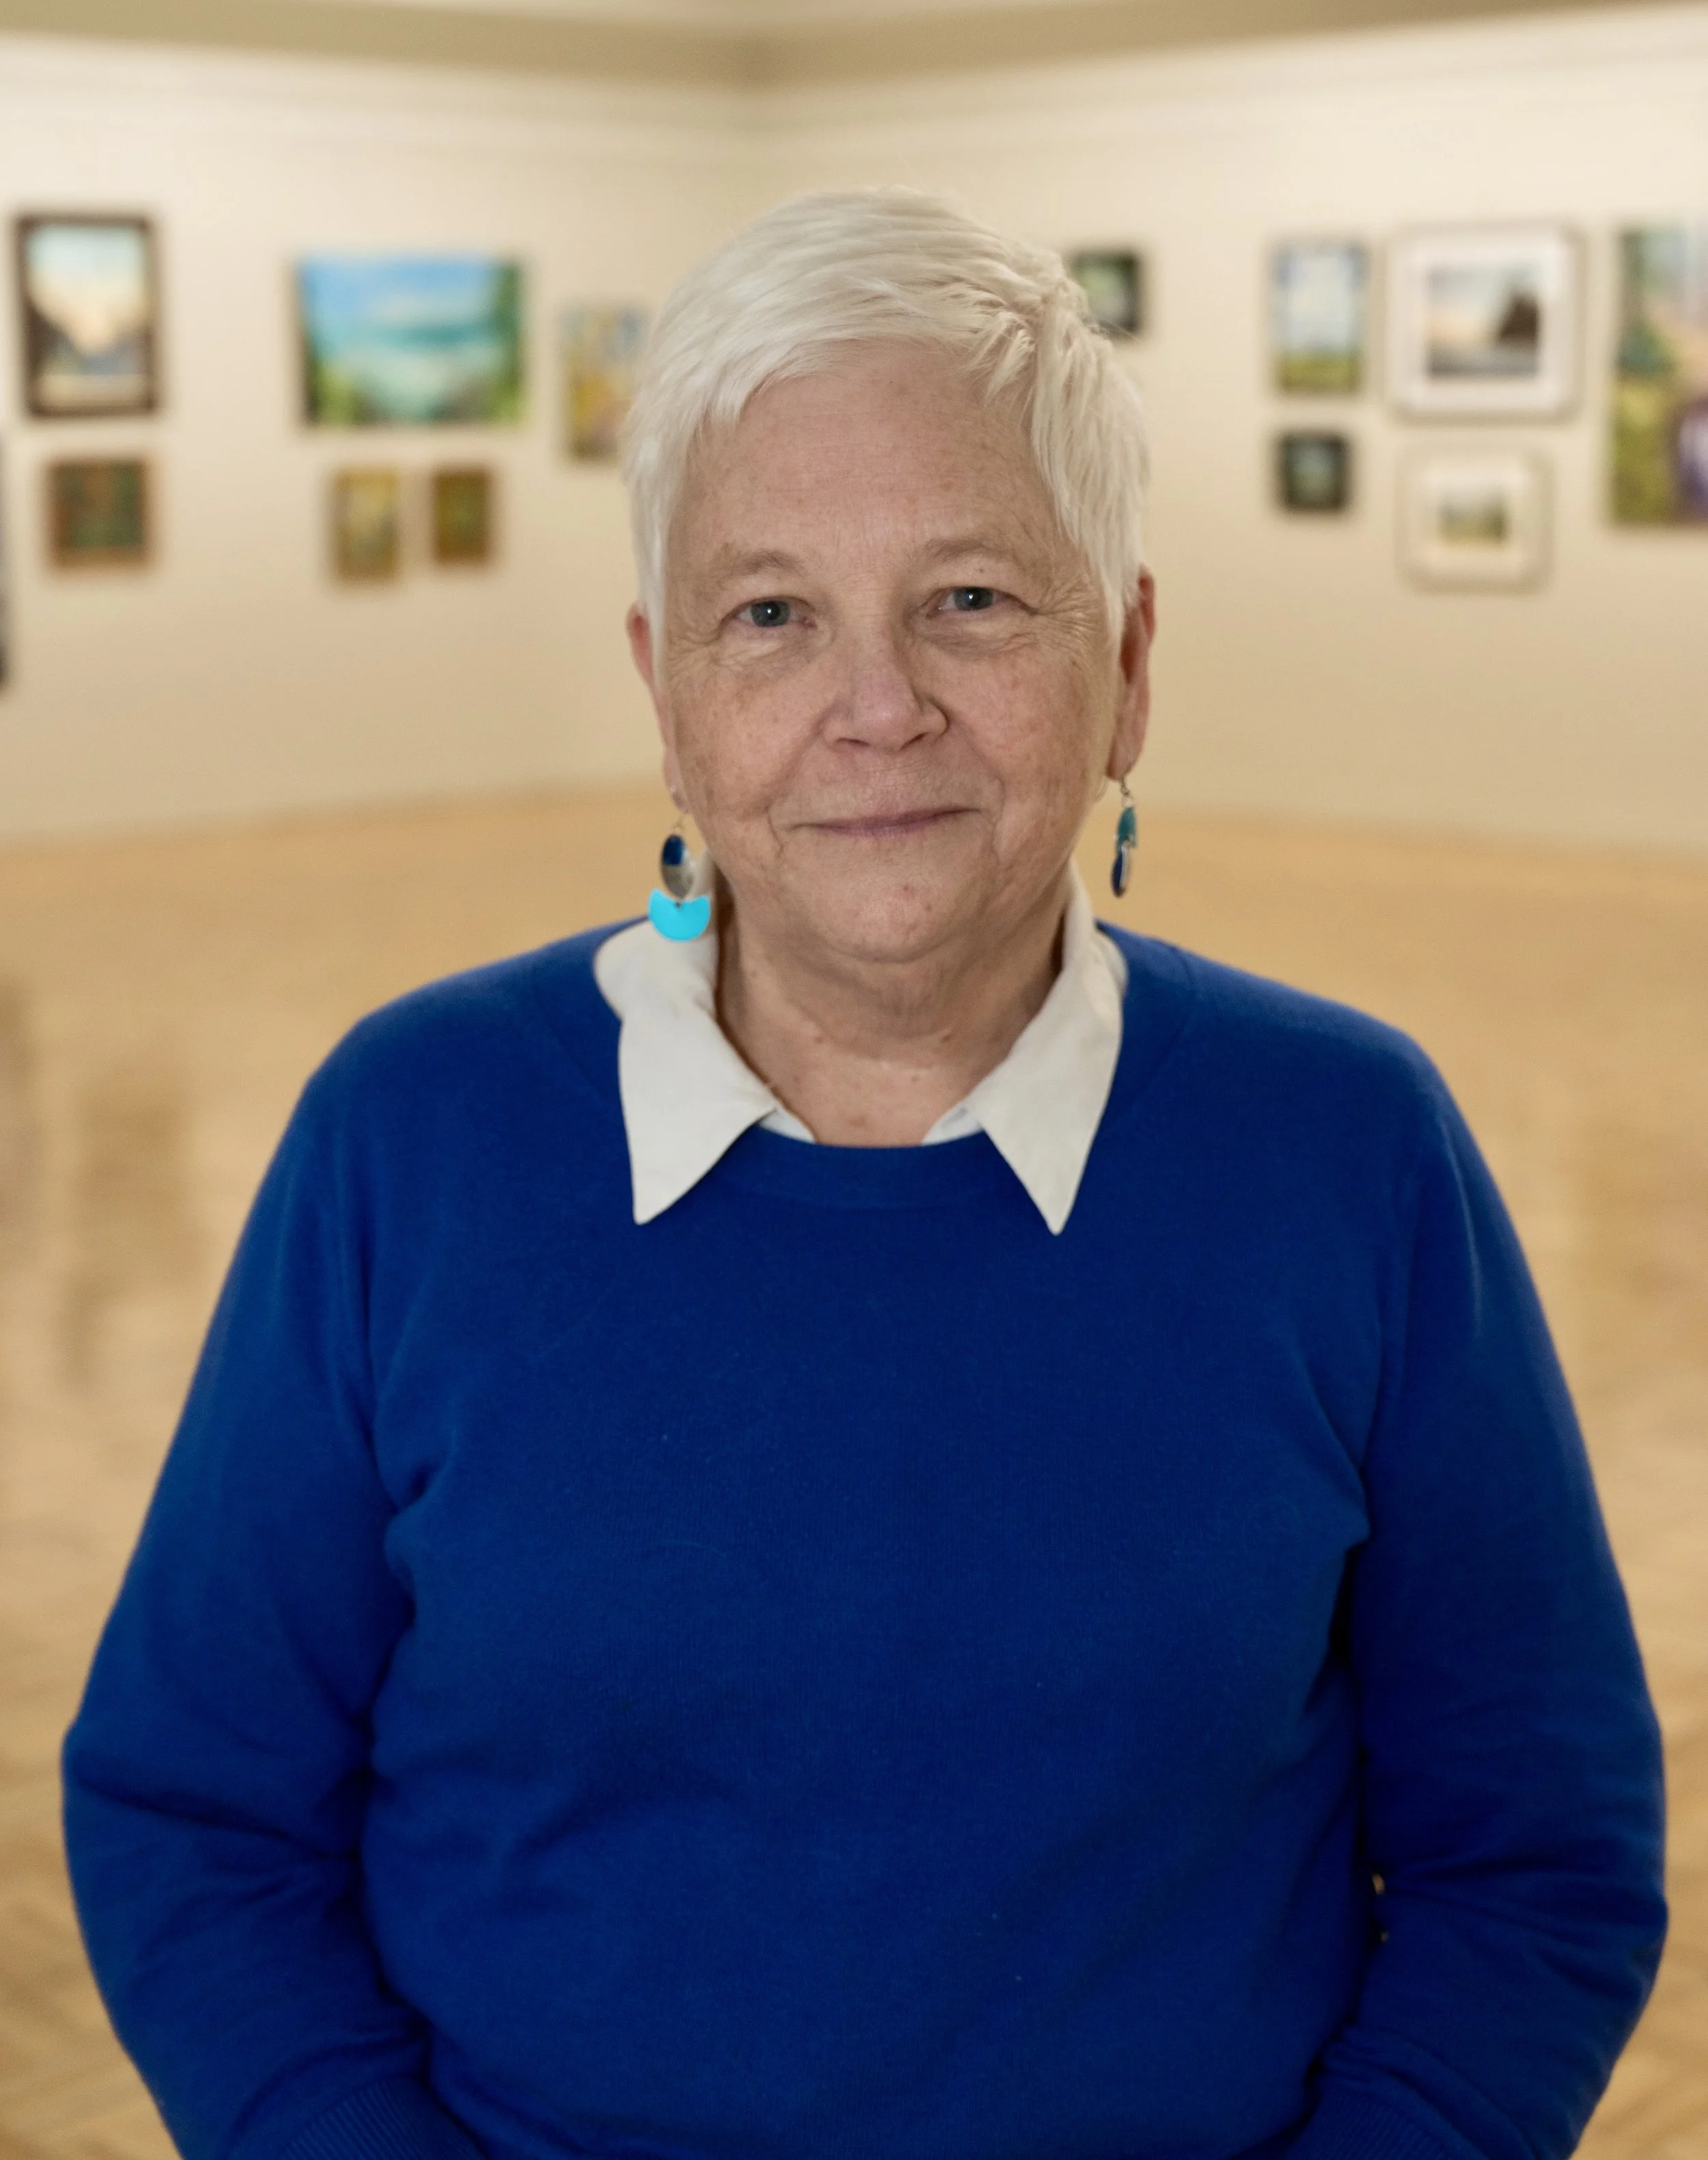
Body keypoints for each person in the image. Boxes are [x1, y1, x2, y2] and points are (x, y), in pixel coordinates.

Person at [64, 190, 1664, 2160]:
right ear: (665, 696)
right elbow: (193, 1814)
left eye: (971, 598)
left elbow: (1536, 1862)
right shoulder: (409, 1138)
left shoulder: (1350, 1151)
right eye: (770, 615)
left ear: (1128, 662)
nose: (877, 707)